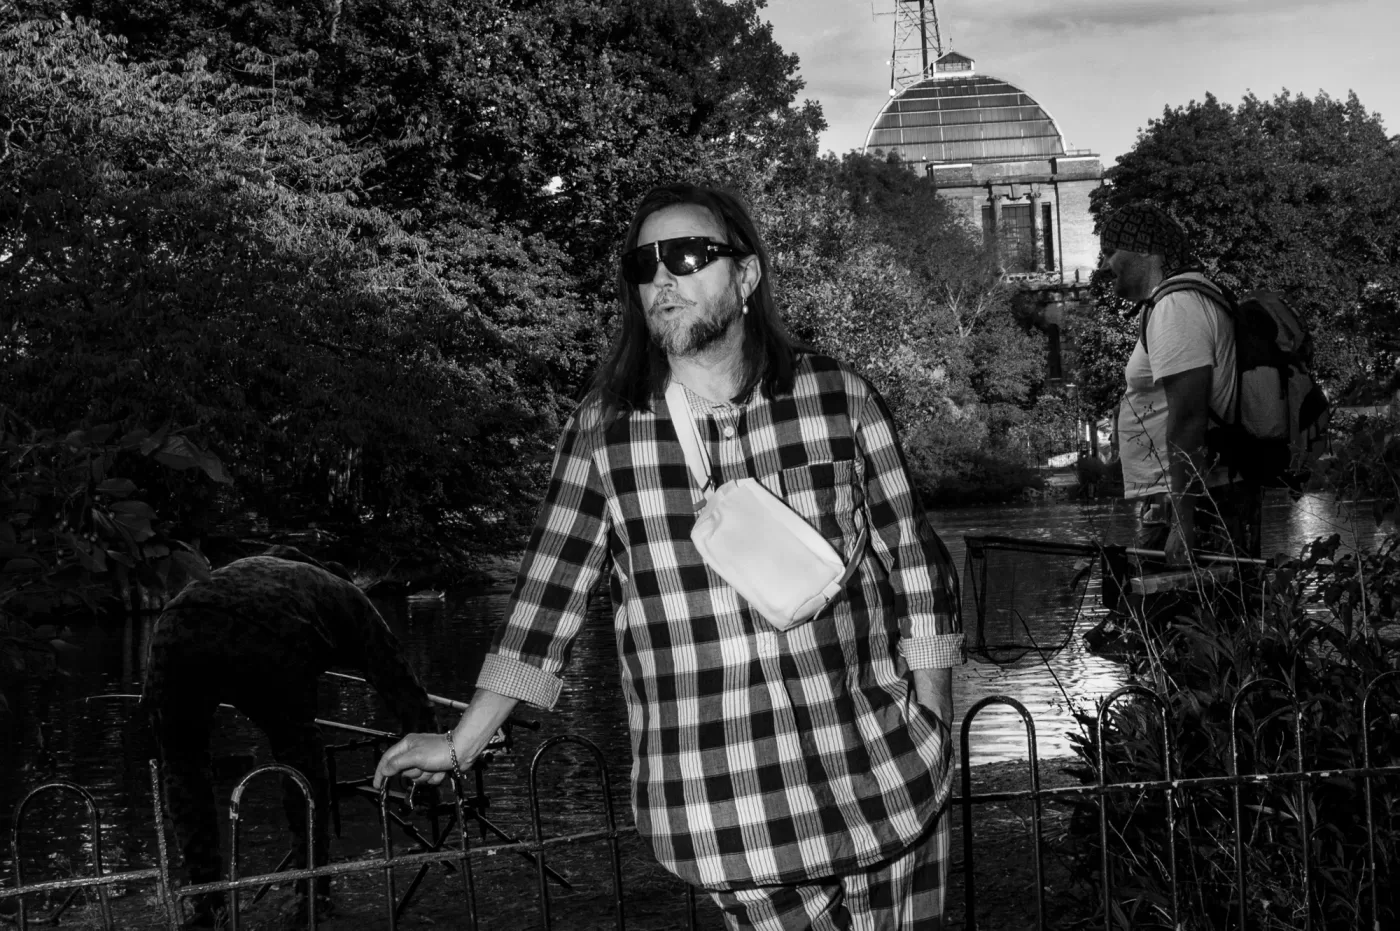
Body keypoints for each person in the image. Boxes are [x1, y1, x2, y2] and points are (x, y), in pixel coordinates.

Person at [375, 182, 964, 929]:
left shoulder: (838, 399)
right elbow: (544, 605)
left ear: (745, 277)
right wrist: (463, 743)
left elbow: (914, 562)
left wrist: (935, 716)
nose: (662, 278)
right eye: (644, 264)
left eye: (686, 256)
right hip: (731, 807)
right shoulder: (603, 434)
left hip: (884, 771)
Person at [141, 548, 435, 929]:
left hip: (173, 627)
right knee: (300, 756)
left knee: (183, 768)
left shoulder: (264, 568)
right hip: (266, 633)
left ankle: (206, 905)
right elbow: (401, 685)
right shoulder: (347, 595)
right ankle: (313, 892)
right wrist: (432, 775)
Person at [1099, 203, 1261, 563]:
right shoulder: (1170, 302)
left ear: (1143, 248)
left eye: (1110, 252)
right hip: (1186, 498)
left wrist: (1182, 526)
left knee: (1191, 615)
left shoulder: (1178, 306)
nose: (1105, 266)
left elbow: (1189, 420)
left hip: (1203, 503)